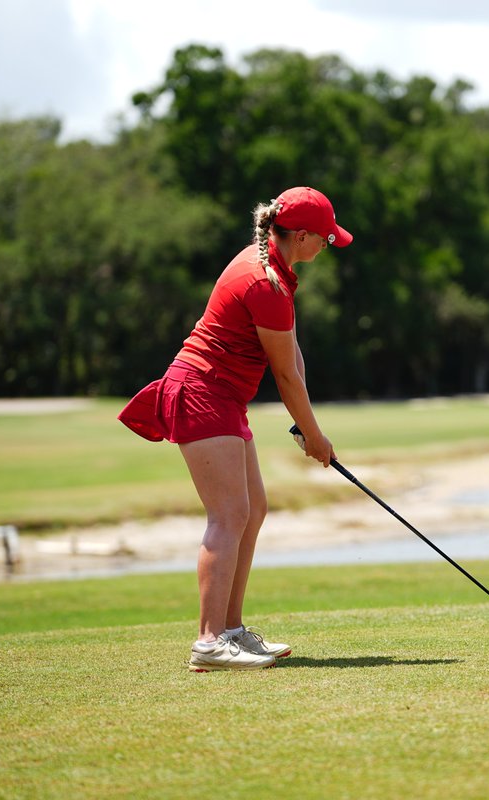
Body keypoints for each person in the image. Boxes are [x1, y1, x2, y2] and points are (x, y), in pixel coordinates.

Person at [117, 186, 351, 672]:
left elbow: (292, 358)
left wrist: (311, 430)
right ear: (300, 236)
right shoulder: (264, 282)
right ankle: (208, 642)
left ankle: (231, 630)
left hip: (222, 397)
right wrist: (314, 436)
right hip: (202, 391)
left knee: (252, 509)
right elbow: (284, 376)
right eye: (325, 238)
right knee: (228, 515)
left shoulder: (274, 272)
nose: (327, 246)